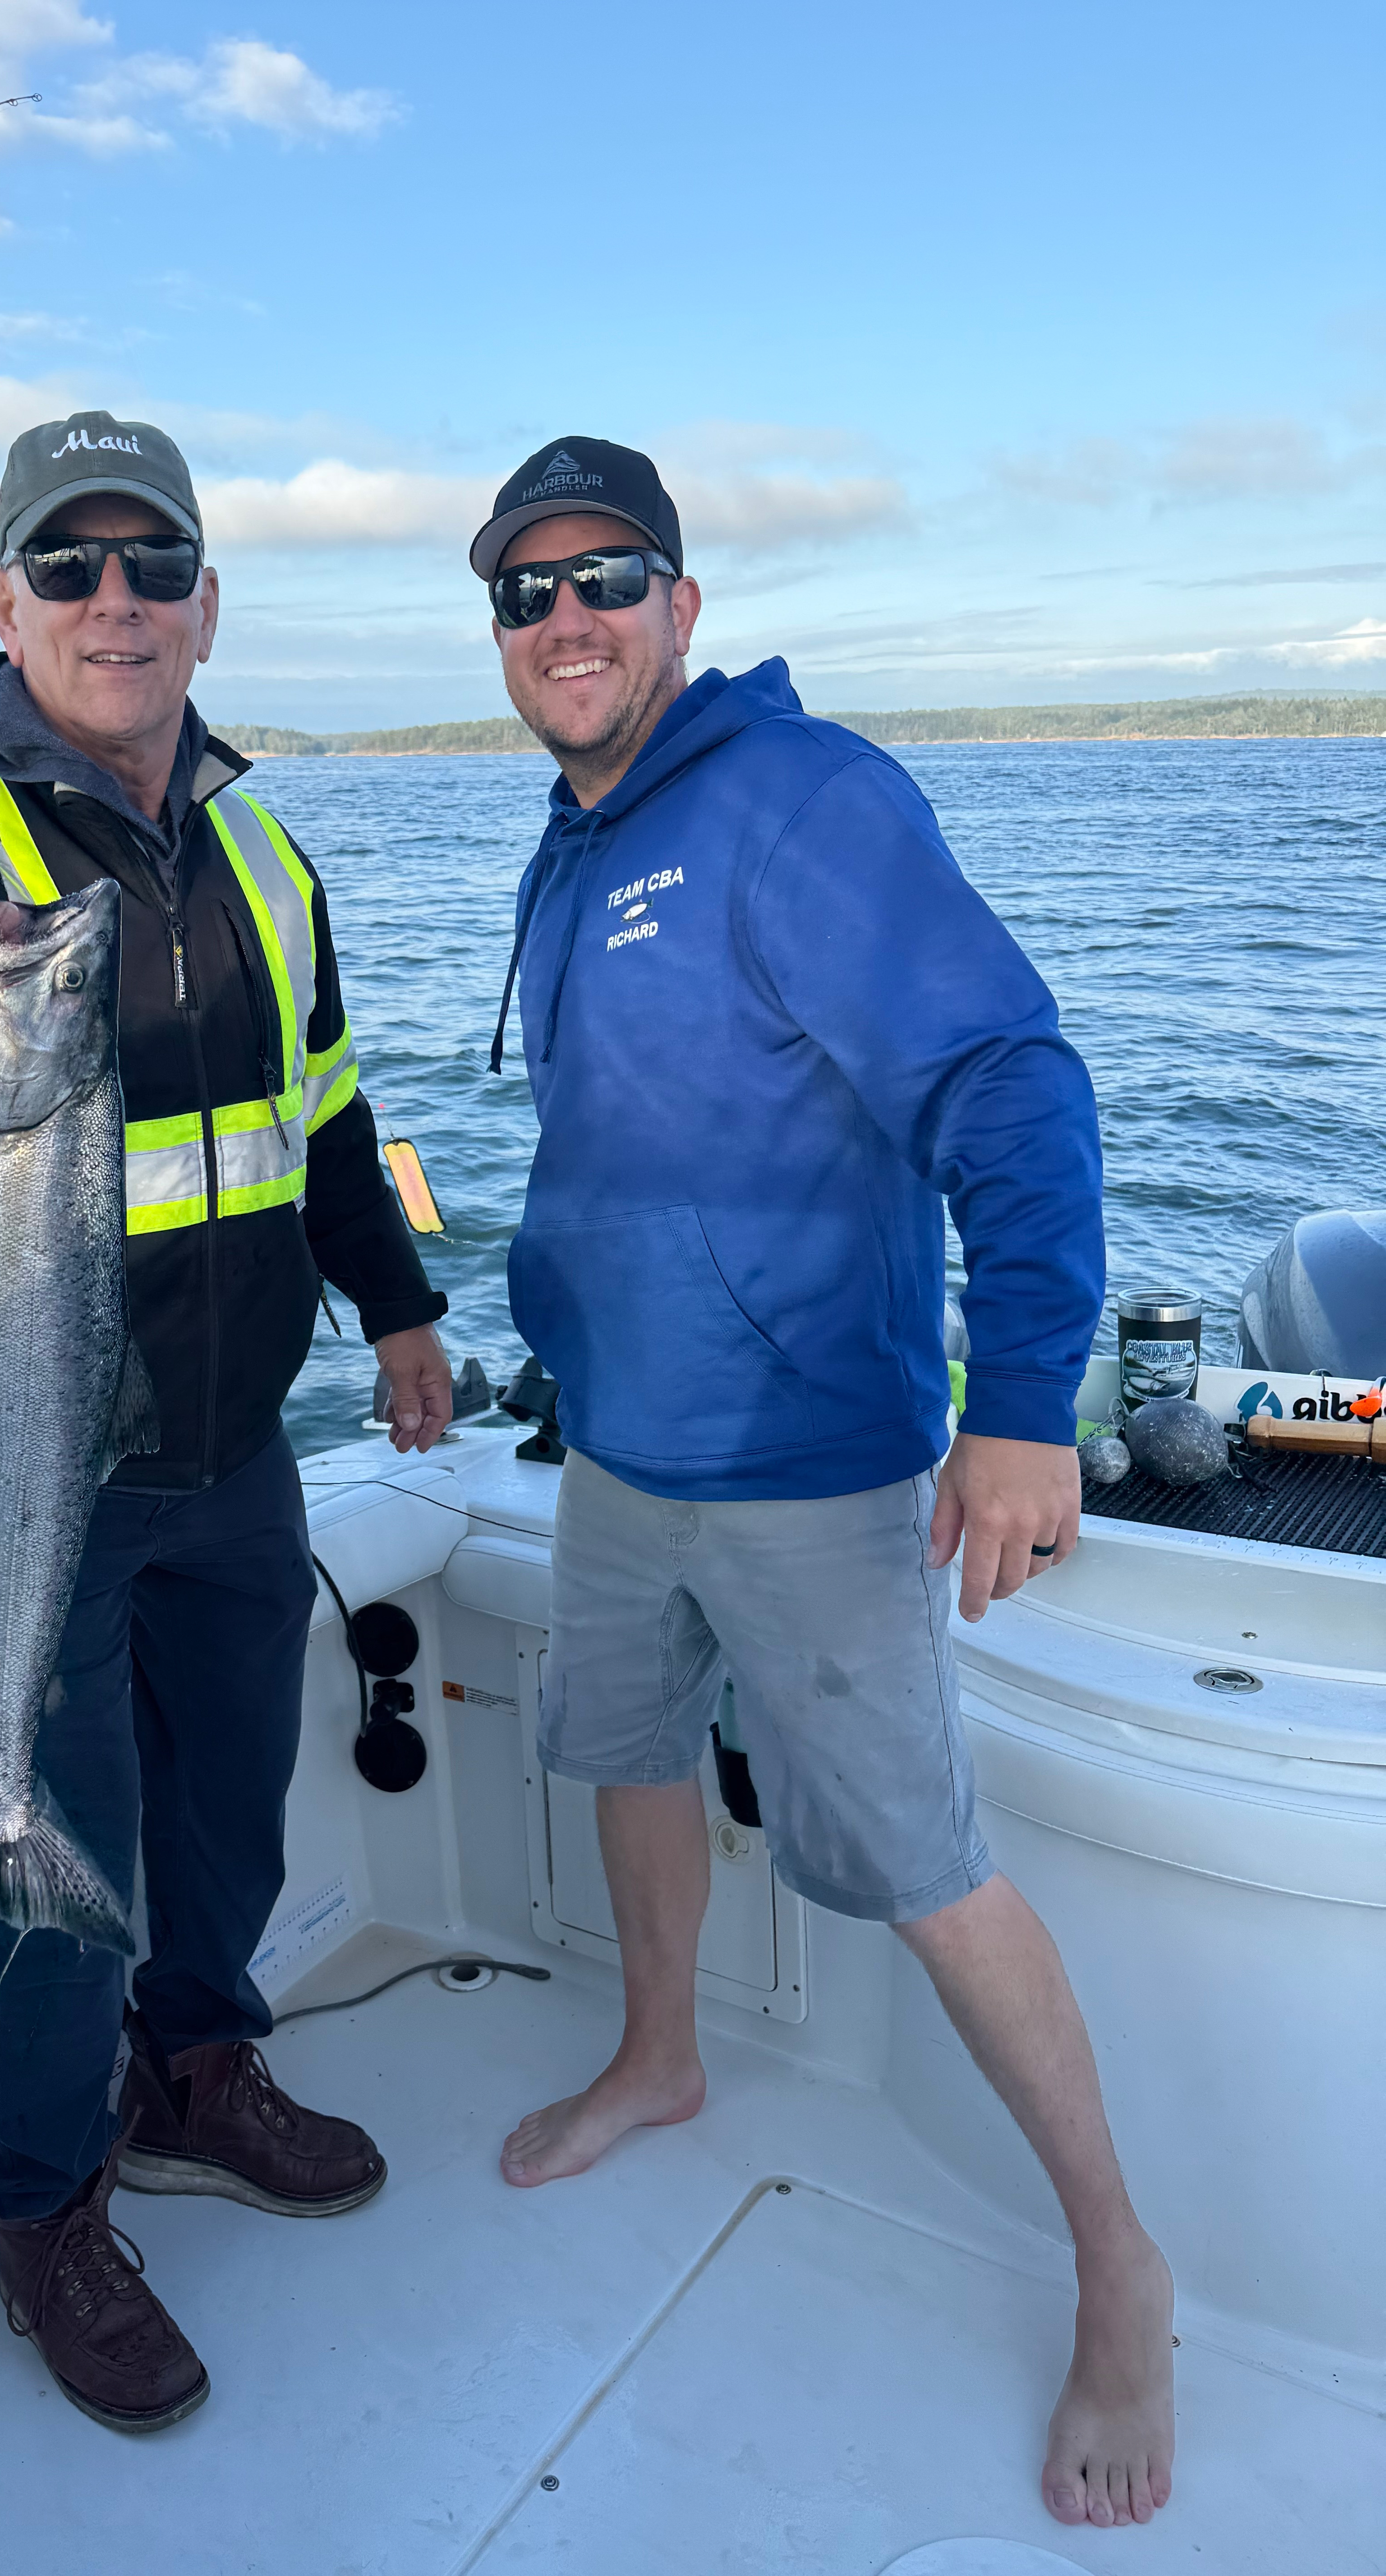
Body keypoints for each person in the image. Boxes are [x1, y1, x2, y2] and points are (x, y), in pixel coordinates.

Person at [0, 410, 453, 2435]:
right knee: (61, 1846)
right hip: (28, 1477)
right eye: (69, 565)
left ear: (209, 604)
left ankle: (202, 2069)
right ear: (3, 602)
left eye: (152, 567)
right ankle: (52, 2210)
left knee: (231, 1810)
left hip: (238, 1454)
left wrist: (398, 1313)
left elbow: (328, 1117)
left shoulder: (269, 850)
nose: (113, 602)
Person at [471, 437, 1174, 2534]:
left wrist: (1026, 1401)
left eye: (610, 580)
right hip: (613, 1437)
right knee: (624, 1749)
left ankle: (1120, 2266)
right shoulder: (577, 833)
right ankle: (662, 2053)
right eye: (527, 592)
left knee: (926, 1864)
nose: (568, 620)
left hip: (807, 1465)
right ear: (499, 634)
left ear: (684, 605)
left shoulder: (803, 801)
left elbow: (1010, 1084)